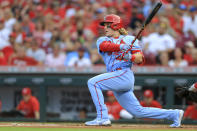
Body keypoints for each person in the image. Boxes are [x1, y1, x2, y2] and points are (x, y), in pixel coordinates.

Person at [85, 14, 184, 127]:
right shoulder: (102, 39)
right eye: (105, 26)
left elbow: (140, 59)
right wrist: (121, 47)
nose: (105, 28)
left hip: (123, 74)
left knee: (93, 82)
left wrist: (129, 57)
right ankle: (174, 114)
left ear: (116, 26)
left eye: (108, 25)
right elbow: (105, 46)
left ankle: (102, 117)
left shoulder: (130, 39)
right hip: (115, 76)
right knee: (137, 111)